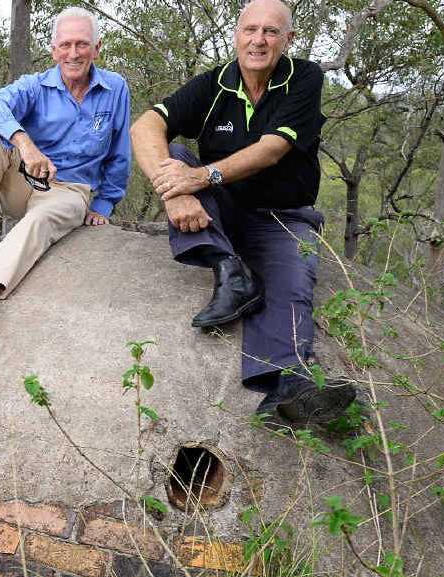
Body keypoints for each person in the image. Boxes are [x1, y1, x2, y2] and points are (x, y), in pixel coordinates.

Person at [129, 0, 355, 423]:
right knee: (174, 155)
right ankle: (229, 268)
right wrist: (175, 191)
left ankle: (288, 388)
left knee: (292, 284)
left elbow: (273, 149)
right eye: (250, 29)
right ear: (236, 35)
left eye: (271, 32)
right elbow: (145, 126)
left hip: (282, 215)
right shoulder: (215, 83)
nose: (259, 40)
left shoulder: (303, 78)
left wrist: (202, 178)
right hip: (226, 211)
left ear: (288, 39)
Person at [0, 7, 131, 323]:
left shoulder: (115, 88)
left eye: (82, 44)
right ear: (53, 50)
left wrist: (105, 204)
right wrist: (24, 143)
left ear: (97, 48)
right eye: (65, 45)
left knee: (41, 219)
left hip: (69, 190)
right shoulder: (35, 86)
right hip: (23, 181)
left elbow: (120, 152)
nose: (73, 53)